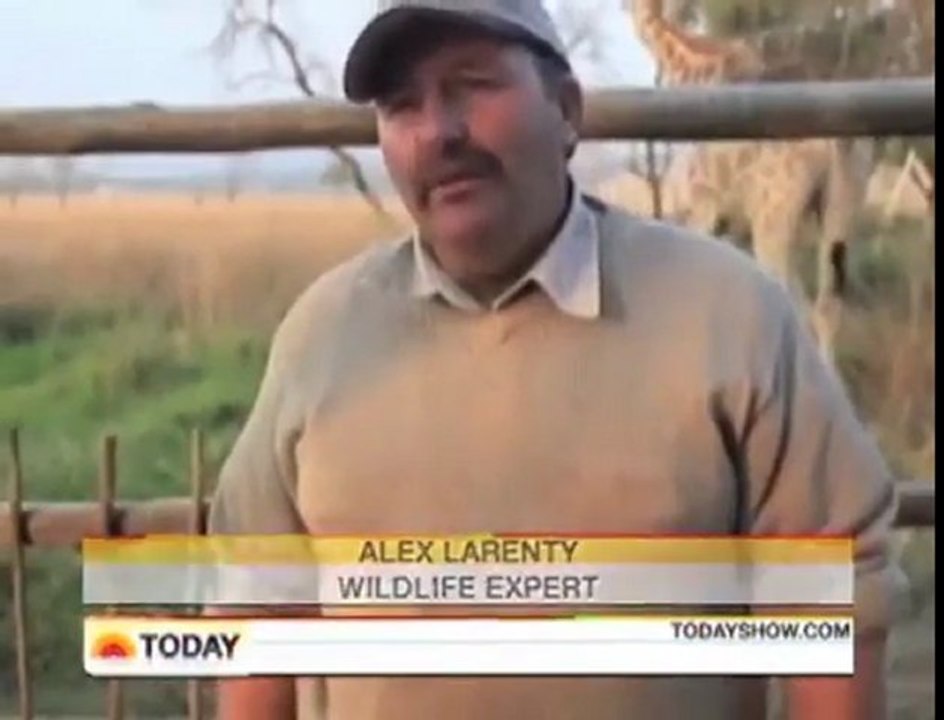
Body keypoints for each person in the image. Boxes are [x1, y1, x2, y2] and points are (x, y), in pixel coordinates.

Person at [207, 1, 905, 718]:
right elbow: (261, 608)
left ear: (567, 109)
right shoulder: (323, 336)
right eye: (402, 105)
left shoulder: (726, 314)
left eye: (472, 85)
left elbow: (835, 601)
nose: (438, 133)